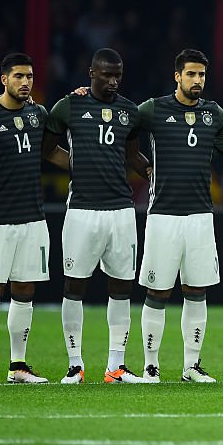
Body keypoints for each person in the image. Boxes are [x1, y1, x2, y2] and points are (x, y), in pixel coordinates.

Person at [42, 48, 150, 384]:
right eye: (106, 74)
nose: (113, 80)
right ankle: (75, 364)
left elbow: (133, 156)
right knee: (74, 286)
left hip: (120, 211)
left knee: (121, 287)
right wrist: (75, 165)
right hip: (82, 211)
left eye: (118, 74)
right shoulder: (69, 106)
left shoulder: (129, 111)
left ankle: (115, 366)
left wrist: (153, 171)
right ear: (91, 73)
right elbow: (46, 148)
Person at [136, 49, 223, 383]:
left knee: (197, 291)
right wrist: (142, 167)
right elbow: (122, 126)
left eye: (202, 75)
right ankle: (151, 365)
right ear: (177, 76)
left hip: (200, 216)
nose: (198, 81)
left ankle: (191, 366)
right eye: (191, 74)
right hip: (163, 215)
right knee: (157, 292)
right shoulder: (154, 109)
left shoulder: (214, 113)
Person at [0, 53, 51, 384]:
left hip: (33, 217)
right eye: (18, 76)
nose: (26, 82)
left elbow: (53, 148)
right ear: (4, 79)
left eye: (29, 76)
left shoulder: (38, 114)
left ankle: (18, 366)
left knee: (25, 289)